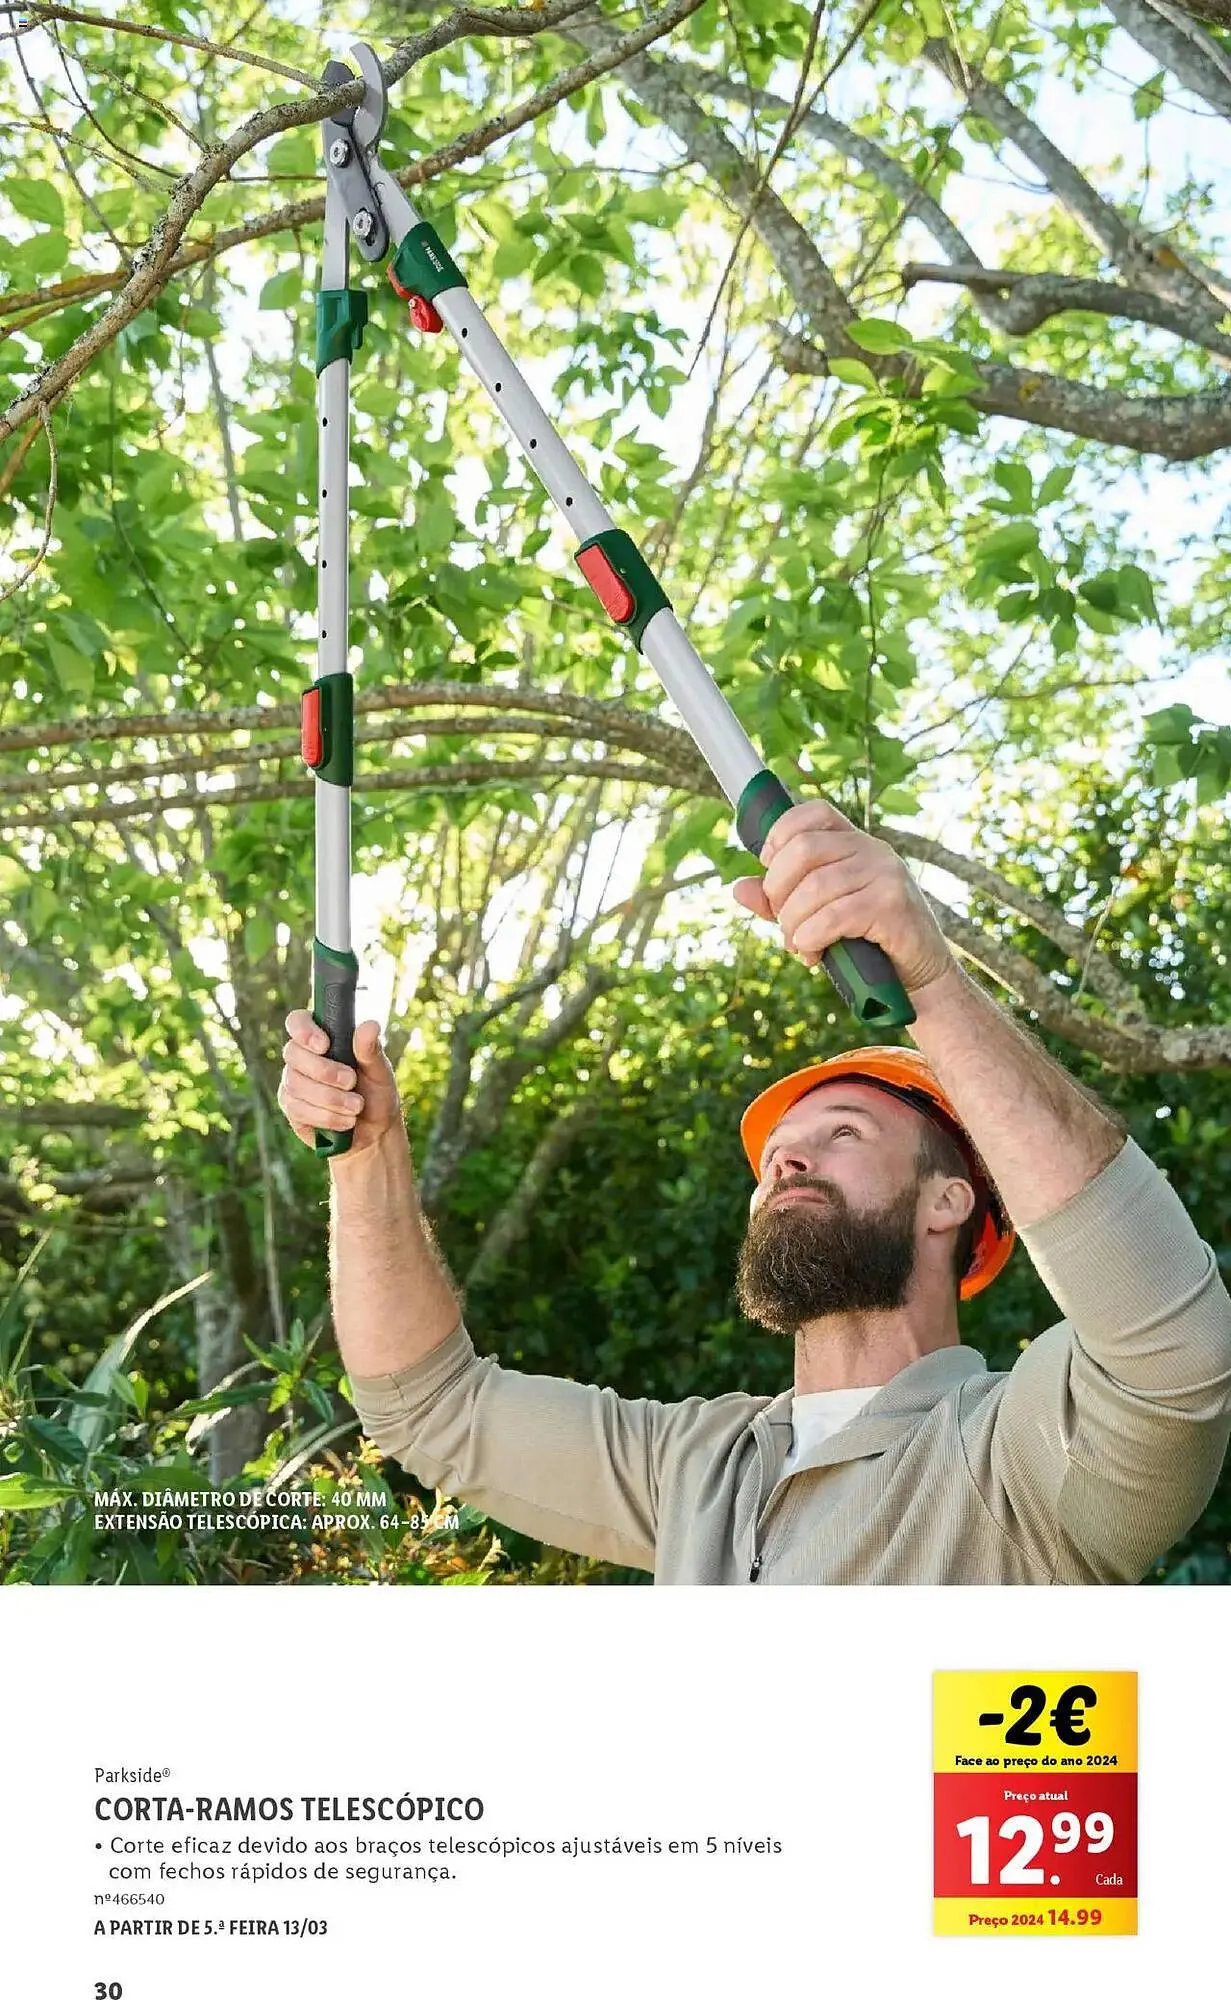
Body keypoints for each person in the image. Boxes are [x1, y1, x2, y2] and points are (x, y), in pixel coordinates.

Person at [277, 800, 1231, 1584]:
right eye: (775, 1152)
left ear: (949, 1202)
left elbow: (1173, 1348)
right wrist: (366, 1157)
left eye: (842, 1133)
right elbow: (429, 1410)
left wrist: (929, 981)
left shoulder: (1019, 1457)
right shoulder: (696, 1467)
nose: (785, 1161)